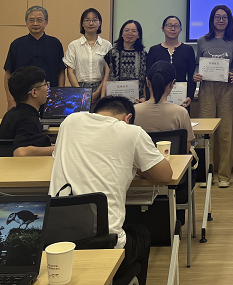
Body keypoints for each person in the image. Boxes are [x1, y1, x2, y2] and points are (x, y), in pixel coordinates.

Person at [49, 96, 173, 285]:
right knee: (141, 232)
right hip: (105, 250)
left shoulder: (70, 122)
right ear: (128, 118)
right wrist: (135, 162)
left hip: (57, 248)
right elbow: (165, 175)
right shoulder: (132, 132)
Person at [194, 4, 233, 188]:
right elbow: (197, 65)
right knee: (206, 132)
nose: (221, 20)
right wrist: (196, 74)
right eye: (217, 17)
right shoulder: (202, 41)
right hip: (207, 89)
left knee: (226, 132)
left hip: (226, 89)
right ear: (212, 20)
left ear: (229, 21)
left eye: (224, 17)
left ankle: (224, 175)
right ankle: (206, 174)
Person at [3, 5, 65, 108]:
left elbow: (61, 72)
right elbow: (8, 74)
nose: (35, 23)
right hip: (22, 98)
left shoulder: (55, 43)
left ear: (46, 22)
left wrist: (60, 94)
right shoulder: (17, 44)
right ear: (26, 22)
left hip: (50, 98)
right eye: (31, 20)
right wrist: (10, 100)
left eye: (39, 20)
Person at [134, 61, 195, 147]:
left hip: (142, 156)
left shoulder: (134, 111)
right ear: (172, 84)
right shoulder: (181, 113)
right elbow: (186, 147)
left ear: (147, 82)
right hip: (172, 156)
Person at [0, 66, 54, 156]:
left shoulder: (11, 114)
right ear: (34, 92)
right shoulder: (29, 120)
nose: (47, 88)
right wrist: (60, 149)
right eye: (45, 85)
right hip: (17, 165)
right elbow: (21, 152)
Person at [145, 15, 197, 110]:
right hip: (157, 98)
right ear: (163, 29)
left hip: (182, 99)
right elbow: (148, 76)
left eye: (176, 26)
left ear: (180, 29)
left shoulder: (188, 50)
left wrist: (190, 96)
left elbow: (191, 76)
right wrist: (149, 98)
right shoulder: (154, 50)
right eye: (169, 26)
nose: (173, 29)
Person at [63, 8, 111, 99]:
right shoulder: (74, 45)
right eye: (87, 20)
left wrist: (98, 92)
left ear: (100, 23)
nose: (91, 23)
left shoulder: (107, 45)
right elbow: (70, 72)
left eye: (94, 20)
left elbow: (107, 73)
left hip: (101, 89)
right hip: (79, 88)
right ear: (82, 23)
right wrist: (80, 93)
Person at [105, 20, 147, 101]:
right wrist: (103, 98)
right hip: (115, 100)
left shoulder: (143, 54)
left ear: (138, 35)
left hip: (137, 100)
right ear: (122, 33)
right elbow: (106, 78)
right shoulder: (112, 53)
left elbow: (145, 79)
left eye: (134, 31)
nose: (130, 33)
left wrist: (144, 98)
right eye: (126, 30)